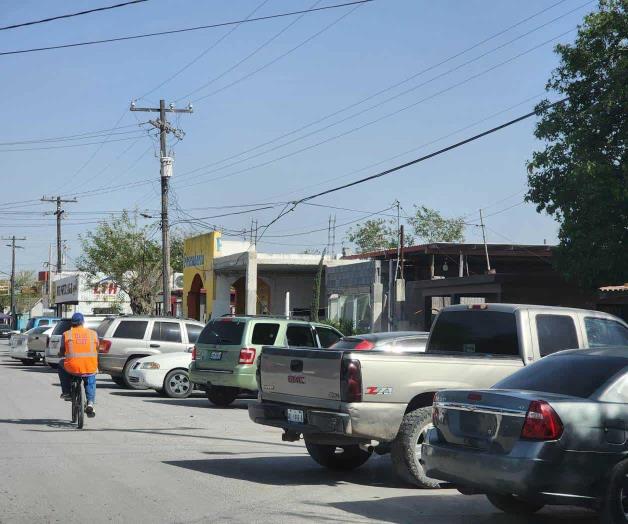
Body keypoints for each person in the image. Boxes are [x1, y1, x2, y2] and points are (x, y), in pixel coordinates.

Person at [58, 312, 98, 418]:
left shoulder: (67, 334)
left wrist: (60, 354)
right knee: (90, 381)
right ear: (83, 322)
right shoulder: (93, 334)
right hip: (89, 366)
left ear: (72, 323)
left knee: (61, 364)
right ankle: (90, 403)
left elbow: (62, 351)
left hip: (72, 367)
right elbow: (97, 347)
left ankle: (66, 391)